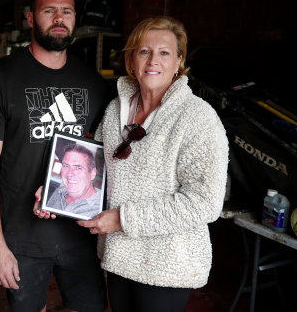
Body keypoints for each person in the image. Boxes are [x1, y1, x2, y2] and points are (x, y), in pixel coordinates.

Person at [0, 0, 107, 312]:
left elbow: (102, 157)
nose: (59, 18)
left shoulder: (94, 83)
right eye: (49, 10)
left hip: (81, 234)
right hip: (21, 238)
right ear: (30, 18)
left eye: (67, 11)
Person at [76, 16, 229, 312]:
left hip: (166, 265)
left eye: (164, 53)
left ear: (178, 61)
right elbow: (96, 170)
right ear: (132, 60)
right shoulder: (115, 110)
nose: (152, 61)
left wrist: (123, 219)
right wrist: (56, 194)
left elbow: (205, 203)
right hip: (119, 256)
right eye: (144, 51)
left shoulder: (197, 117)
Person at [46, 142, 103, 219]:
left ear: (93, 173)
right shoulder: (59, 192)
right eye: (66, 166)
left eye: (78, 168)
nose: (70, 174)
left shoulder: (101, 206)